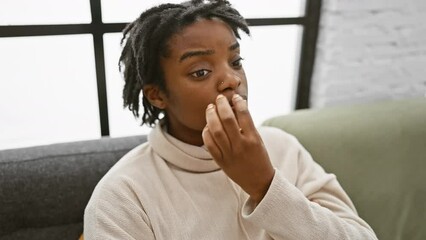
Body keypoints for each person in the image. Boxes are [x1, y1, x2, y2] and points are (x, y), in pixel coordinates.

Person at [84, 0, 378, 239]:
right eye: (200, 71)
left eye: (236, 62)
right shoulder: (122, 197)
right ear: (157, 95)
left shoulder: (283, 147)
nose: (231, 80)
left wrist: (265, 185)